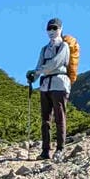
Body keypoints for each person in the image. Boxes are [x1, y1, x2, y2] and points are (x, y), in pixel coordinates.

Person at [26, 18, 71, 160]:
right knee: (45, 119)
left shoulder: (64, 46)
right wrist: (33, 76)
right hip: (45, 85)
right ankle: (45, 150)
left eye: (54, 28)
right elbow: (39, 65)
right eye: (49, 29)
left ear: (60, 29)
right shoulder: (44, 49)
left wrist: (38, 72)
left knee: (59, 117)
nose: (52, 31)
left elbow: (55, 63)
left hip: (59, 84)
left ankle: (60, 149)